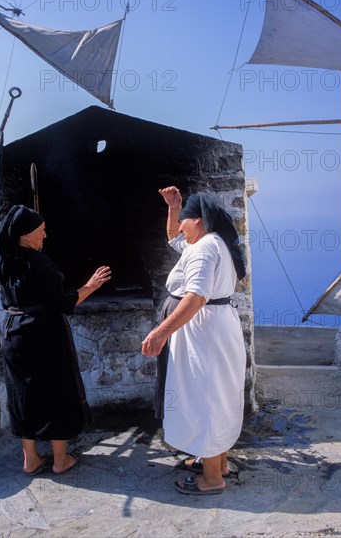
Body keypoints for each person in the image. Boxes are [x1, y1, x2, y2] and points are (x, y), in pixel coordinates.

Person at [142, 187, 246, 495]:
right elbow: (174, 238)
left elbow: (197, 296)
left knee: (204, 398)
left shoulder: (203, 248)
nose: (181, 231)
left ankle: (212, 479)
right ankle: (219, 463)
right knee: (216, 395)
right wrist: (174, 207)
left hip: (202, 332)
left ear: (198, 220)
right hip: (216, 328)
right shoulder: (212, 242)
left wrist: (161, 331)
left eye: (186, 222)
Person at [0, 204, 111, 476]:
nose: (45, 235)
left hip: (13, 333)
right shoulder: (39, 262)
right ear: (26, 234)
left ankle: (31, 460)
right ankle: (60, 459)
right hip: (43, 333)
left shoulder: (4, 261)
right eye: (41, 230)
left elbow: (5, 302)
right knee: (56, 391)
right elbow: (65, 302)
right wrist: (92, 285)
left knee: (23, 394)